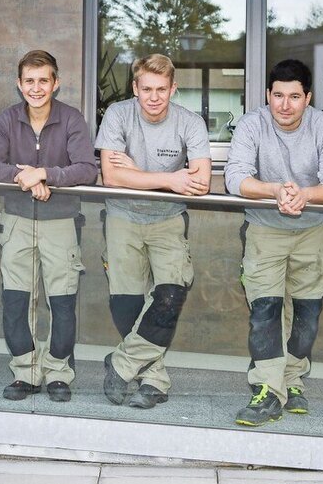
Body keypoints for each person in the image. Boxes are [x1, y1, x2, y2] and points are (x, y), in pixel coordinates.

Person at [224, 59, 323, 426]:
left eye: (294, 96)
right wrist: (276, 190)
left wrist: (304, 195)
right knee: (265, 311)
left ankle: (292, 380)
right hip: (264, 230)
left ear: (308, 98)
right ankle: (267, 390)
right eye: (278, 95)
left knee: (306, 317)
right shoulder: (252, 123)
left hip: (312, 231)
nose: (285, 104)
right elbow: (235, 177)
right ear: (268, 94)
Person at [0, 50, 98, 402]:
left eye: (44, 80)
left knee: (61, 302)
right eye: (30, 81)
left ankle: (58, 373)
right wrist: (23, 176)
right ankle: (25, 371)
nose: (37, 87)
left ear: (56, 83)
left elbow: (87, 168)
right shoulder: (8, 120)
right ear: (19, 84)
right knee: (16, 301)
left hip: (61, 223)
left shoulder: (71, 119)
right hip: (16, 222)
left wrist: (46, 174)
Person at [95, 53, 211, 409]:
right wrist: (169, 179)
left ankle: (121, 363)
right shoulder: (117, 114)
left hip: (167, 220)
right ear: (135, 88)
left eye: (162, 89)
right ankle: (154, 379)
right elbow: (112, 177)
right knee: (126, 304)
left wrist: (138, 173)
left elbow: (201, 182)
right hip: (122, 219)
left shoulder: (190, 123)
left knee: (170, 296)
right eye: (147, 89)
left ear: (173, 88)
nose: (154, 96)